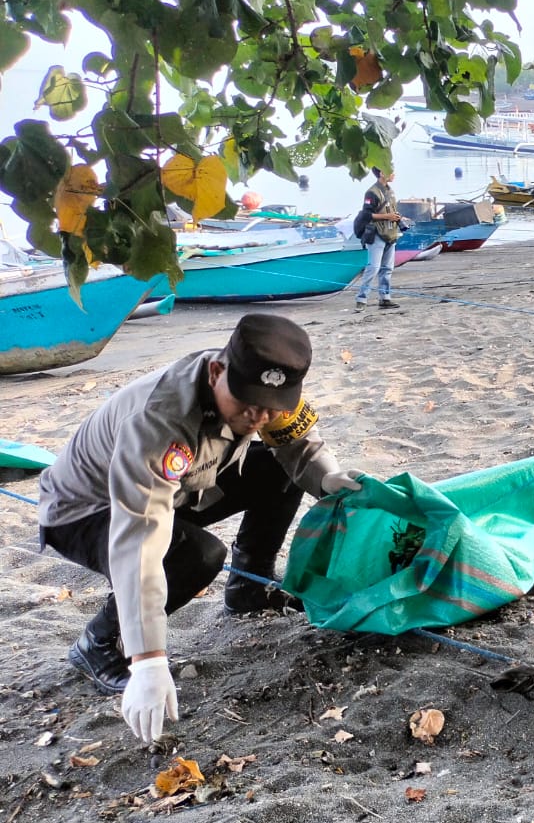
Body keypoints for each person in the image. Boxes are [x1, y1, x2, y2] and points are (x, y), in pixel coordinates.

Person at [38, 315, 360, 743]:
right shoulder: (159, 420)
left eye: (271, 404)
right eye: (248, 402)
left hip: (181, 490)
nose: (258, 415)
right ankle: (98, 643)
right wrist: (149, 658)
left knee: (280, 470)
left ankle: (249, 589)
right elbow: (139, 542)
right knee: (197, 556)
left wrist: (327, 478)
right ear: (216, 371)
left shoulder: (263, 396)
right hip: (87, 510)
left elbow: (298, 444)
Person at [352, 169, 404, 310]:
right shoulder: (372, 192)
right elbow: (366, 214)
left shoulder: (390, 191)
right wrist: (387, 217)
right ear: (381, 173)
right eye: (390, 171)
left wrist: (396, 217)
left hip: (391, 233)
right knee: (373, 268)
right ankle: (361, 299)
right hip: (376, 234)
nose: (393, 174)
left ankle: (385, 298)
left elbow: (390, 209)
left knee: (387, 269)